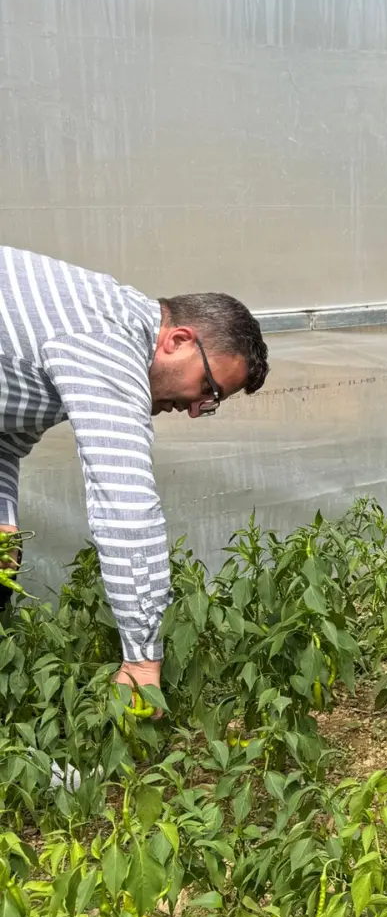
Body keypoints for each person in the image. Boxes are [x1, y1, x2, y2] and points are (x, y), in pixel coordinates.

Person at [0, 246, 268, 697]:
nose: (195, 408)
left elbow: (5, 437)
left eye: (211, 404)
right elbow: (124, 502)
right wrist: (143, 657)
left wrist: (3, 519)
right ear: (178, 340)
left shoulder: (90, 325)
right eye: (207, 387)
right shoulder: (107, 341)